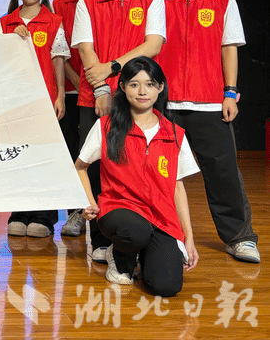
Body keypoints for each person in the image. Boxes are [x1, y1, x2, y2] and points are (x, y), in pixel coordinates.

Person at [156, 0, 259, 263]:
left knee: (223, 171)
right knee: (159, 173)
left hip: (210, 102)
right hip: (164, 103)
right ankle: (163, 236)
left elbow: (229, 47)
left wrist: (230, 93)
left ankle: (239, 237)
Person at [71, 0, 166, 262]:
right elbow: (86, 50)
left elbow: (153, 45)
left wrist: (113, 69)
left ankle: (143, 234)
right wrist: (101, 90)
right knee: (98, 167)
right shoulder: (87, 1)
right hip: (96, 97)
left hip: (140, 96)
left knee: (139, 165)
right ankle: (100, 239)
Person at [76, 57, 199, 295]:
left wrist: (188, 238)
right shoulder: (106, 126)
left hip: (160, 218)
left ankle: (144, 255)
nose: (142, 91)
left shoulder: (175, 134)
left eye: (150, 84)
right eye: (134, 84)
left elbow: (177, 187)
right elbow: (80, 167)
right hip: (119, 211)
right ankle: (120, 259)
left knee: (166, 286)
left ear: (160, 87)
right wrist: (88, 202)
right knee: (135, 231)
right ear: (122, 87)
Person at [0, 0, 69, 237]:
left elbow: (58, 60)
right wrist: (10, 40)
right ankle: (19, 212)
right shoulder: (5, 23)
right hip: (15, 101)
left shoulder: (54, 21)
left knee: (44, 157)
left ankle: (44, 216)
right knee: (19, 156)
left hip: (45, 99)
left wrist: (60, 95)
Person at [53, 0, 101, 238]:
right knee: (75, 151)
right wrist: (79, 81)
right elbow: (60, 51)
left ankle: (105, 211)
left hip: (105, 89)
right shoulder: (59, 3)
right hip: (73, 89)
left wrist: (97, 82)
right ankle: (76, 212)